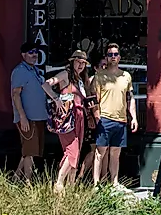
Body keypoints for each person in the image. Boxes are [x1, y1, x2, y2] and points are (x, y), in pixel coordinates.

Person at [88, 42, 136, 187]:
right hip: (104, 118)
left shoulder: (125, 76)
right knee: (100, 152)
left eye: (115, 54)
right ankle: (97, 184)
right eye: (110, 55)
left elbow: (130, 97)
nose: (113, 57)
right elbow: (93, 99)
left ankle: (114, 182)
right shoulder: (99, 76)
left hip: (121, 119)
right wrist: (95, 116)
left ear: (119, 57)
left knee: (116, 153)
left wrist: (133, 117)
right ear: (106, 58)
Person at [51, 49, 91, 189]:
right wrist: (56, 99)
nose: (80, 65)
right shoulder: (65, 74)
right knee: (72, 151)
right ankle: (59, 183)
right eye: (78, 62)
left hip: (80, 117)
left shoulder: (80, 80)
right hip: (67, 117)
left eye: (83, 63)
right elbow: (46, 84)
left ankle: (70, 185)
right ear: (72, 62)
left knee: (76, 152)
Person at [9, 41, 49, 181]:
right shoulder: (20, 71)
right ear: (23, 54)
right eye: (31, 52)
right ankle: (28, 183)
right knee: (29, 151)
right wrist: (22, 116)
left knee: (29, 151)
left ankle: (15, 177)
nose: (34, 55)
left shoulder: (35, 70)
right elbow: (16, 95)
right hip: (27, 118)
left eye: (36, 52)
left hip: (39, 117)